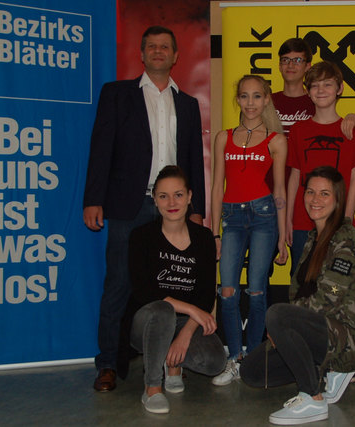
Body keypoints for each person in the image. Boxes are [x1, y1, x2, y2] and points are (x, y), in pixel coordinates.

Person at [83, 25, 205, 392]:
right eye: (151, 46)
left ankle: (171, 364)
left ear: (175, 55)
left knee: (175, 284)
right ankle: (107, 364)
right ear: (141, 54)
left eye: (165, 46)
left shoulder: (187, 103)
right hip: (128, 204)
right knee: (119, 283)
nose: (158, 51)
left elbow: (193, 161)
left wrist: (195, 207)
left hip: (175, 208)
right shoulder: (117, 94)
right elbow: (100, 148)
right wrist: (94, 198)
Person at [240, 166, 355, 425]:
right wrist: (284, 330)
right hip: (325, 330)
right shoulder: (313, 238)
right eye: (311, 192)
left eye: (325, 194)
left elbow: (329, 297)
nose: (315, 200)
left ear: (338, 199)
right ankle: (325, 370)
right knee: (253, 372)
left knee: (278, 313)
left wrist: (285, 322)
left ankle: (312, 398)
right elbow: (300, 295)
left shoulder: (345, 238)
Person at [121, 166, 226, 414]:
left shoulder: (203, 239)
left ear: (190, 197)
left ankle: (174, 367)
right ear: (155, 200)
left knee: (214, 361)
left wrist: (186, 333)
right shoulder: (141, 236)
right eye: (163, 196)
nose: (171, 203)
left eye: (178, 195)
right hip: (146, 323)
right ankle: (153, 387)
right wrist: (193, 311)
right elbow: (145, 292)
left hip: (183, 322)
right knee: (163, 310)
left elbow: (204, 293)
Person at [210, 75, 289, 386]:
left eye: (257, 96)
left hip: (264, 215)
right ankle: (233, 357)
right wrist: (213, 233)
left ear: (267, 99)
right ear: (238, 100)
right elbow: (217, 186)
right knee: (227, 291)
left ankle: (252, 358)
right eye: (245, 96)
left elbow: (280, 189)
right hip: (230, 217)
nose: (251, 103)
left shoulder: (276, 140)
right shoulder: (223, 137)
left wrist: (283, 237)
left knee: (257, 290)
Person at [286, 61, 355, 277]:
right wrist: (287, 219)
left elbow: (354, 180)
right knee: (302, 281)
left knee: (335, 284)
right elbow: (294, 177)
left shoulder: (352, 131)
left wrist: (347, 220)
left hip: (338, 222)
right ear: (308, 91)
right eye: (315, 85)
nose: (321, 90)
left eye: (327, 84)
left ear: (339, 89)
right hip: (303, 222)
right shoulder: (298, 130)